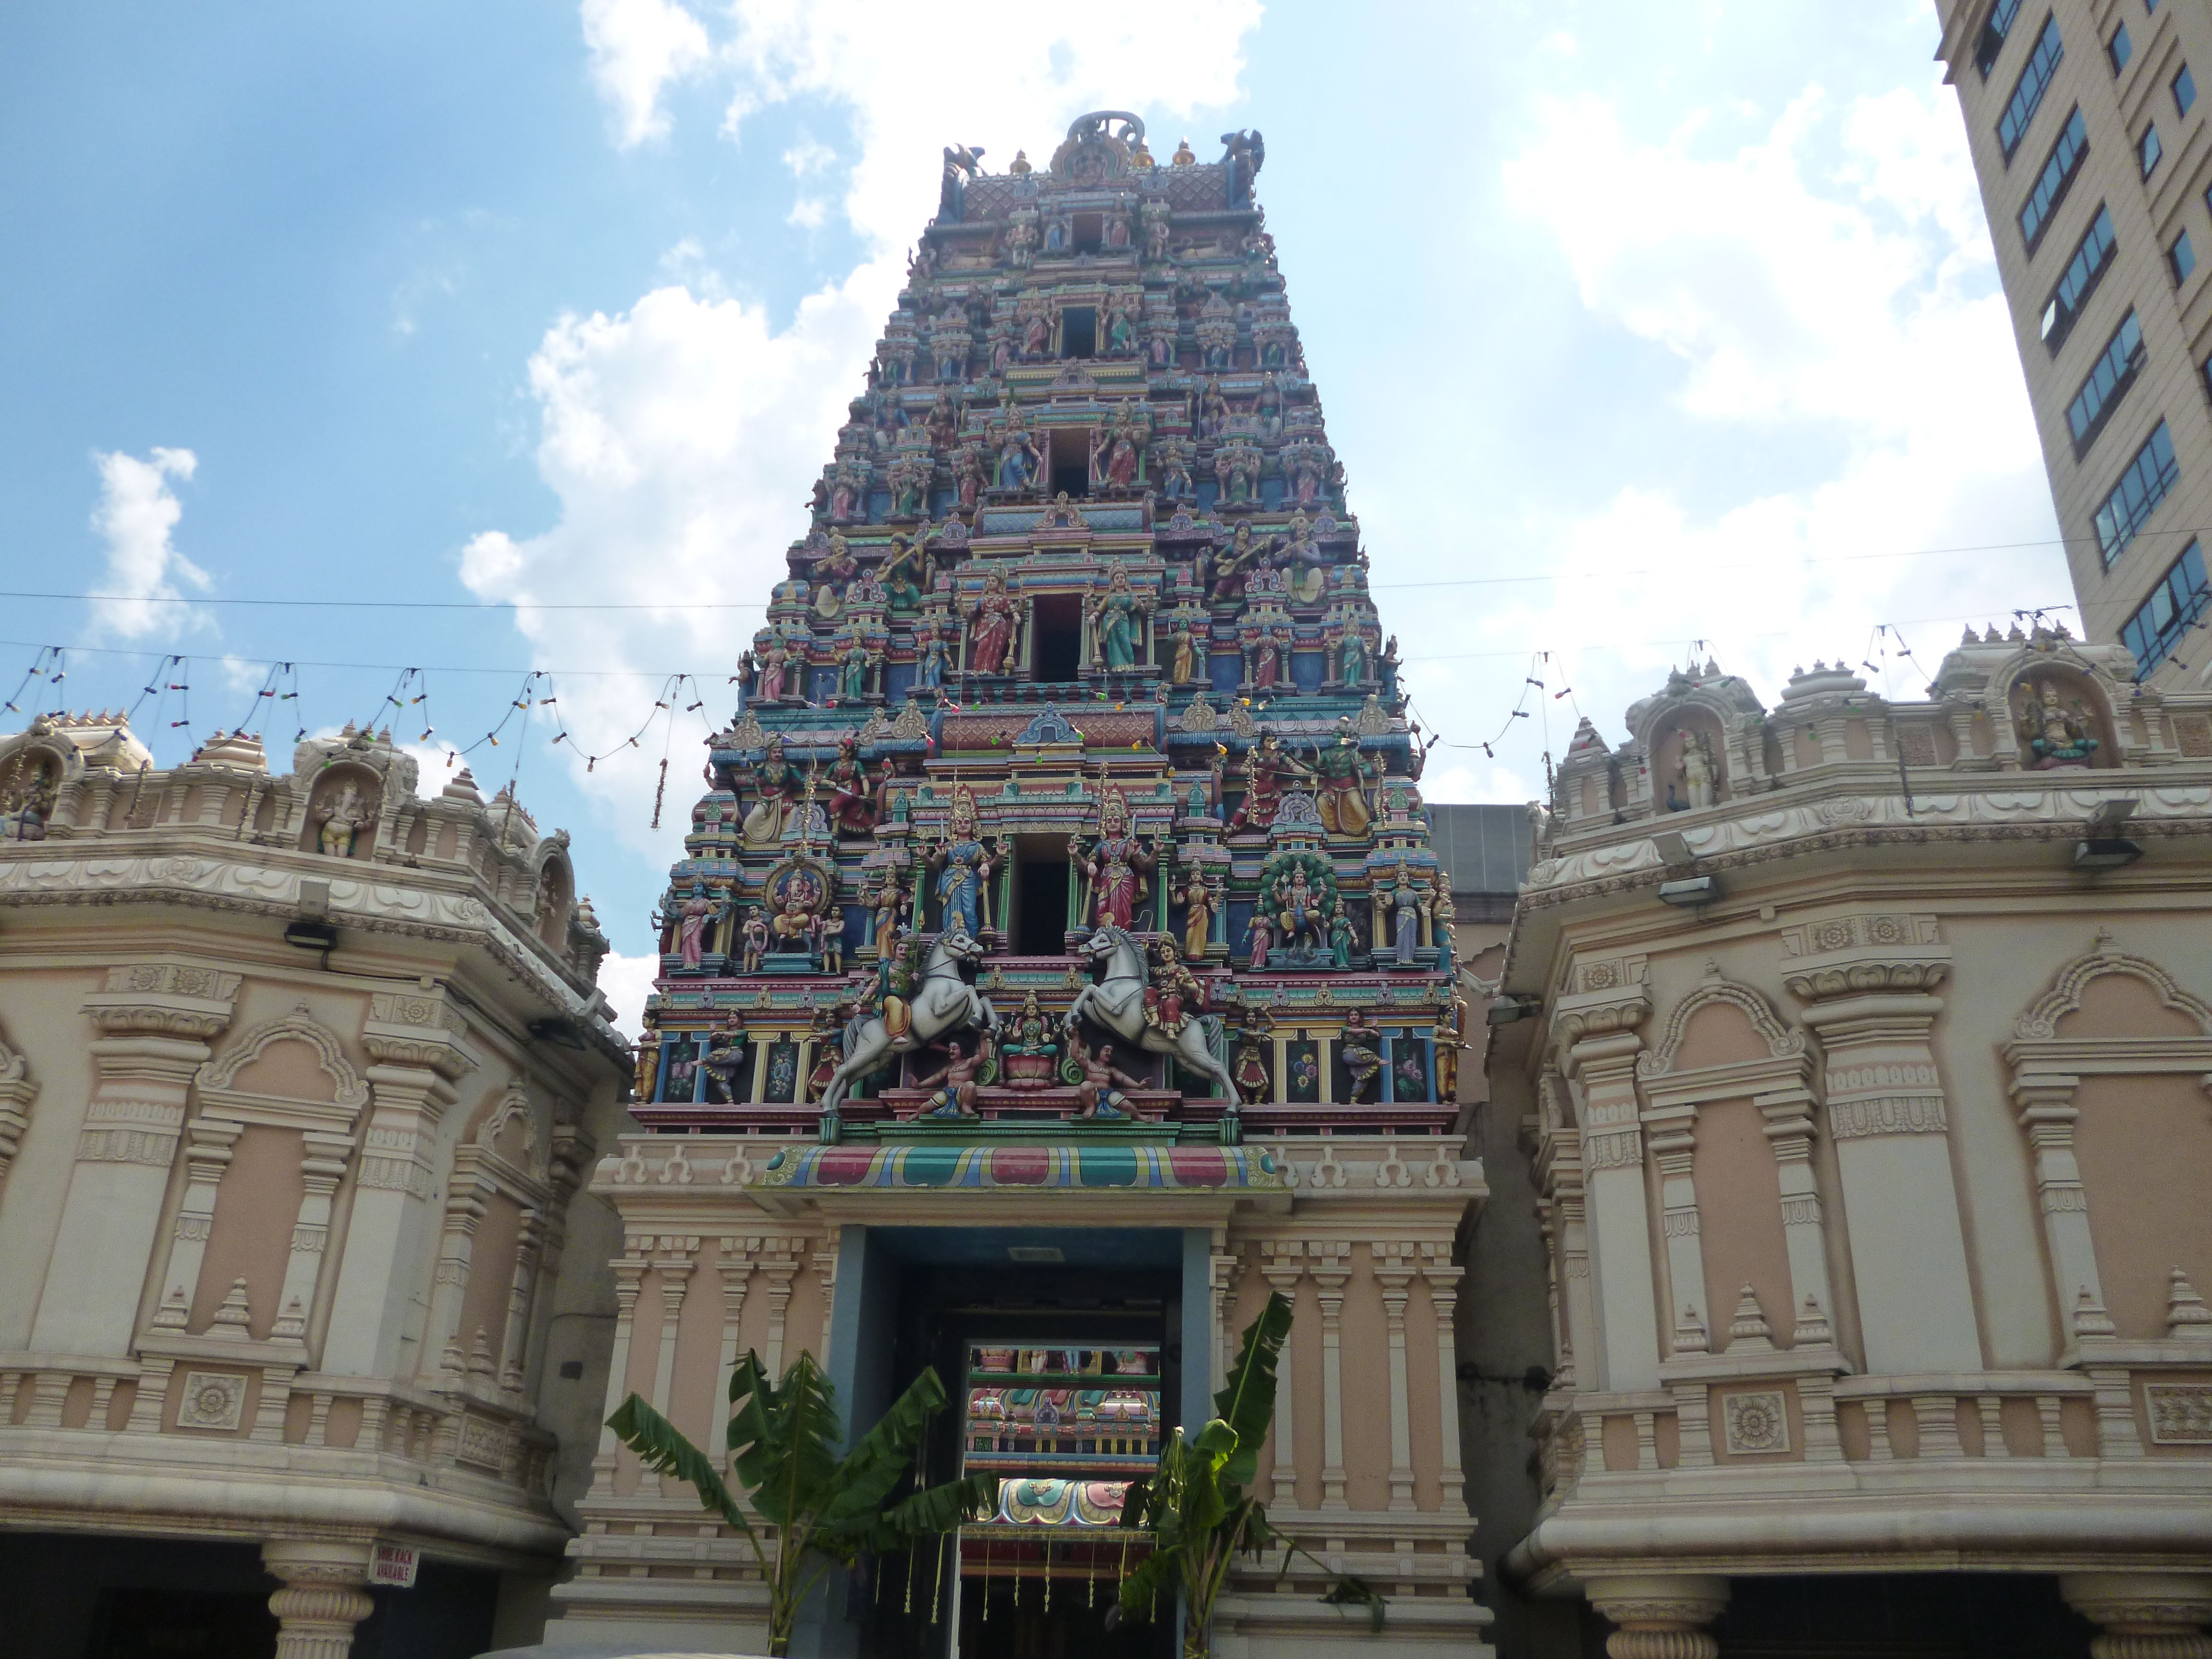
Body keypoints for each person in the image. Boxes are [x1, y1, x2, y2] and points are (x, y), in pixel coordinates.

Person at [915, 1034, 990, 1118]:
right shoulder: (949, 1067)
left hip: (962, 1094)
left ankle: (966, 1106)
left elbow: (984, 1057)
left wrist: (983, 1040)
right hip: (948, 1094)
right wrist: (919, 1085)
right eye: (950, 1049)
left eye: (954, 1049)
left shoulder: (969, 1062)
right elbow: (936, 1077)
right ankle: (916, 1115)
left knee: (970, 1085)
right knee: (927, 1106)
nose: (951, 1051)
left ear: (962, 1050)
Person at [1074, 1039, 1144, 1120]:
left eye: (1111, 1052)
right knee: (1086, 1085)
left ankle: (1139, 1116)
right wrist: (1076, 1037)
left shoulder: (1111, 1070)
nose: (1109, 1054)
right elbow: (1075, 1055)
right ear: (1099, 1051)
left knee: (1127, 1105)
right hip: (1093, 1095)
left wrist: (1138, 1085)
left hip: (1109, 1095)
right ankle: (1090, 1107)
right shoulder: (1089, 1064)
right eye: (1106, 1051)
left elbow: (1123, 1078)